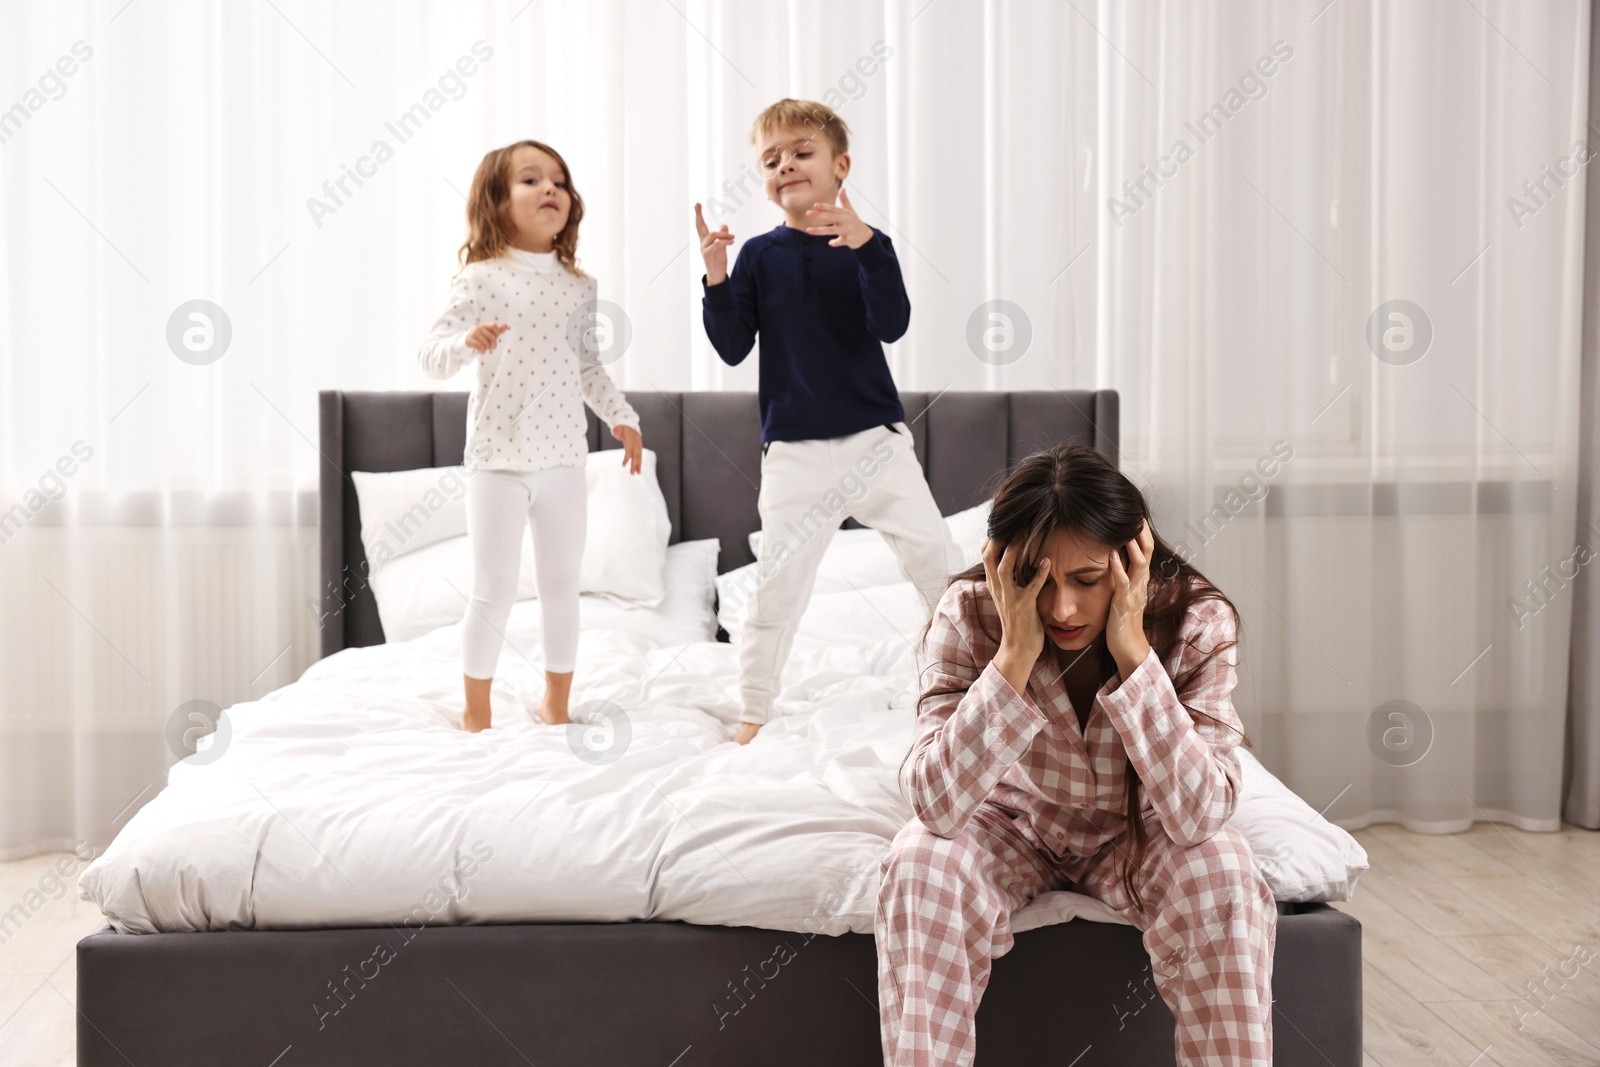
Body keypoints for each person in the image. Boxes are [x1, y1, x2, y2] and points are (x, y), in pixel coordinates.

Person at [877, 443, 1275, 1066]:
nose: (1062, 608)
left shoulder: (1198, 619)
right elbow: (934, 804)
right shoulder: (970, 613)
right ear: (1003, 565)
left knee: (1223, 867)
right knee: (918, 861)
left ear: (1132, 557)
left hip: (1137, 832)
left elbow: (1200, 816)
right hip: (1010, 828)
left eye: (1087, 581)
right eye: (1039, 579)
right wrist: (1012, 656)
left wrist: (1135, 654)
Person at [696, 98, 962, 745]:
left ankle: (976, 682)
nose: (786, 164)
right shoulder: (759, 255)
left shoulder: (869, 246)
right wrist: (716, 276)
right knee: (775, 592)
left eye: (801, 152)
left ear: (840, 166)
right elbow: (733, 345)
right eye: (771, 159)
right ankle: (754, 711)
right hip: (793, 453)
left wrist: (868, 249)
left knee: (938, 565)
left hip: (877, 440)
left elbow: (891, 322)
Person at [417, 139, 643, 733]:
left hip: (565, 459)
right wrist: (467, 343)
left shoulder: (579, 285)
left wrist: (623, 419)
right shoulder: (480, 279)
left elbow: (588, 366)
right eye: (531, 180)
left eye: (560, 182)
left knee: (561, 588)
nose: (551, 189)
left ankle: (557, 705)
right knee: (491, 589)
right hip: (497, 461)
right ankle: (476, 712)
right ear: (497, 200)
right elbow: (429, 356)